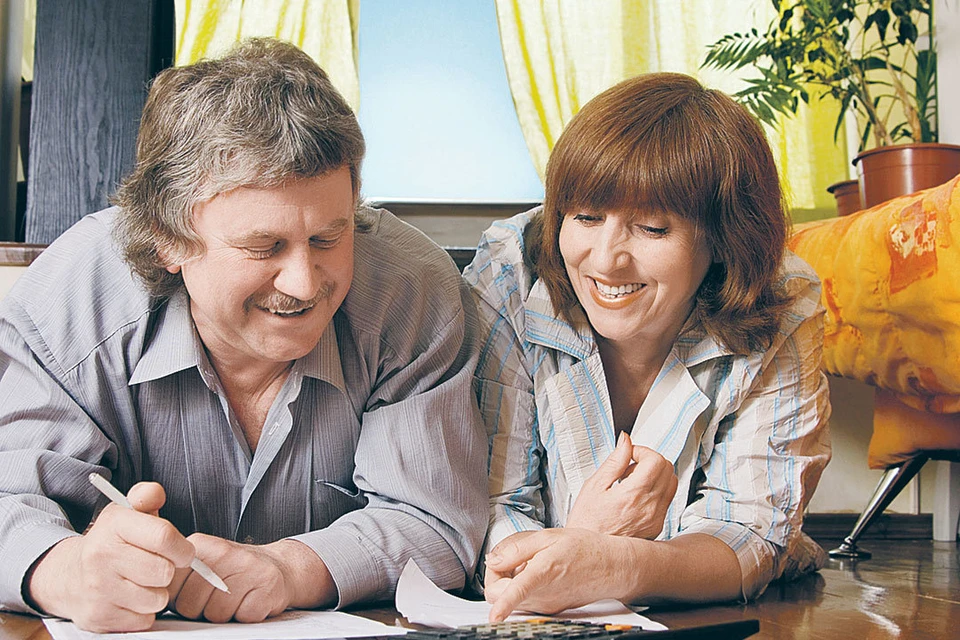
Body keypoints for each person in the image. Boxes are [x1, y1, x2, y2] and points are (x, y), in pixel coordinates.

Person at [0, 38, 487, 633]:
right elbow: (6, 496)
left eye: (328, 238)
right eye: (264, 247)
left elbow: (435, 520)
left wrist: (289, 569)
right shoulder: (76, 296)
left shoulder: (409, 290)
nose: (304, 284)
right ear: (168, 239)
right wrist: (65, 571)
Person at [464, 72, 831, 621]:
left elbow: (751, 534)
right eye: (586, 217)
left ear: (723, 238)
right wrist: (577, 548)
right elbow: (489, 508)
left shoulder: (782, 303)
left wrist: (614, 563)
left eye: (652, 229)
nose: (606, 259)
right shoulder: (509, 275)